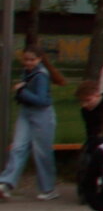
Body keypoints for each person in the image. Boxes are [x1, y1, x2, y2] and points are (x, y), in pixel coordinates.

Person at [0, 45, 61, 202]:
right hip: (26, 112)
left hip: (42, 114)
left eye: (32, 60)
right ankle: (6, 183)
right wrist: (21, 93)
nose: (28, 63)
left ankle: (48, 188)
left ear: (39, 59)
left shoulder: (41, 75)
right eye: (25, 59)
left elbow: (42, 100)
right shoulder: (27, 72)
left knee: (42, 151)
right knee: (18, 147)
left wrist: (22, 91)